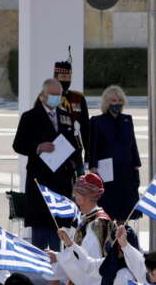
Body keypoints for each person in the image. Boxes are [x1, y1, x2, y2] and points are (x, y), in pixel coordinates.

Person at [12, 77, 78, 250]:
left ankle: (58, 267)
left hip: (61, 181)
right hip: (40, 181)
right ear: (43, 95)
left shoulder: (66, 117)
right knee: (40, 231)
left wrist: (76, 166)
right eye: (52, 94)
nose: (56, 98)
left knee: (59, 230)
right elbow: (18, 145)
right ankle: (40, 265)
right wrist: (38, 147)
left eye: (59, 95)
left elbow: (75, 145)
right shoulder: (30, 117)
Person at [89, 85, 142, 224]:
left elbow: (133, 145)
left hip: (126, 171)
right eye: (113, 100)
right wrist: (93, 168)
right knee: (107, 212)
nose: (116, 103)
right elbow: (92, 146)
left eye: (119, 100)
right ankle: (107, 243)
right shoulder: (97, 121)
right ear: (107, 102)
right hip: (106, 173)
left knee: (125, 213)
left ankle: (122, 242)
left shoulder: (127, 120)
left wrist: (136, 166)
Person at [53, 56, 90, 173]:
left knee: (79, 187)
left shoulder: (78, 98)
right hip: (55, 150)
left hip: (75, 150)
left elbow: (85, 128)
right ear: (55, 78)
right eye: (63, 77)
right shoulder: (46, 97)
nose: (66, 80)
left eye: (68, 77)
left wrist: (88, 153)